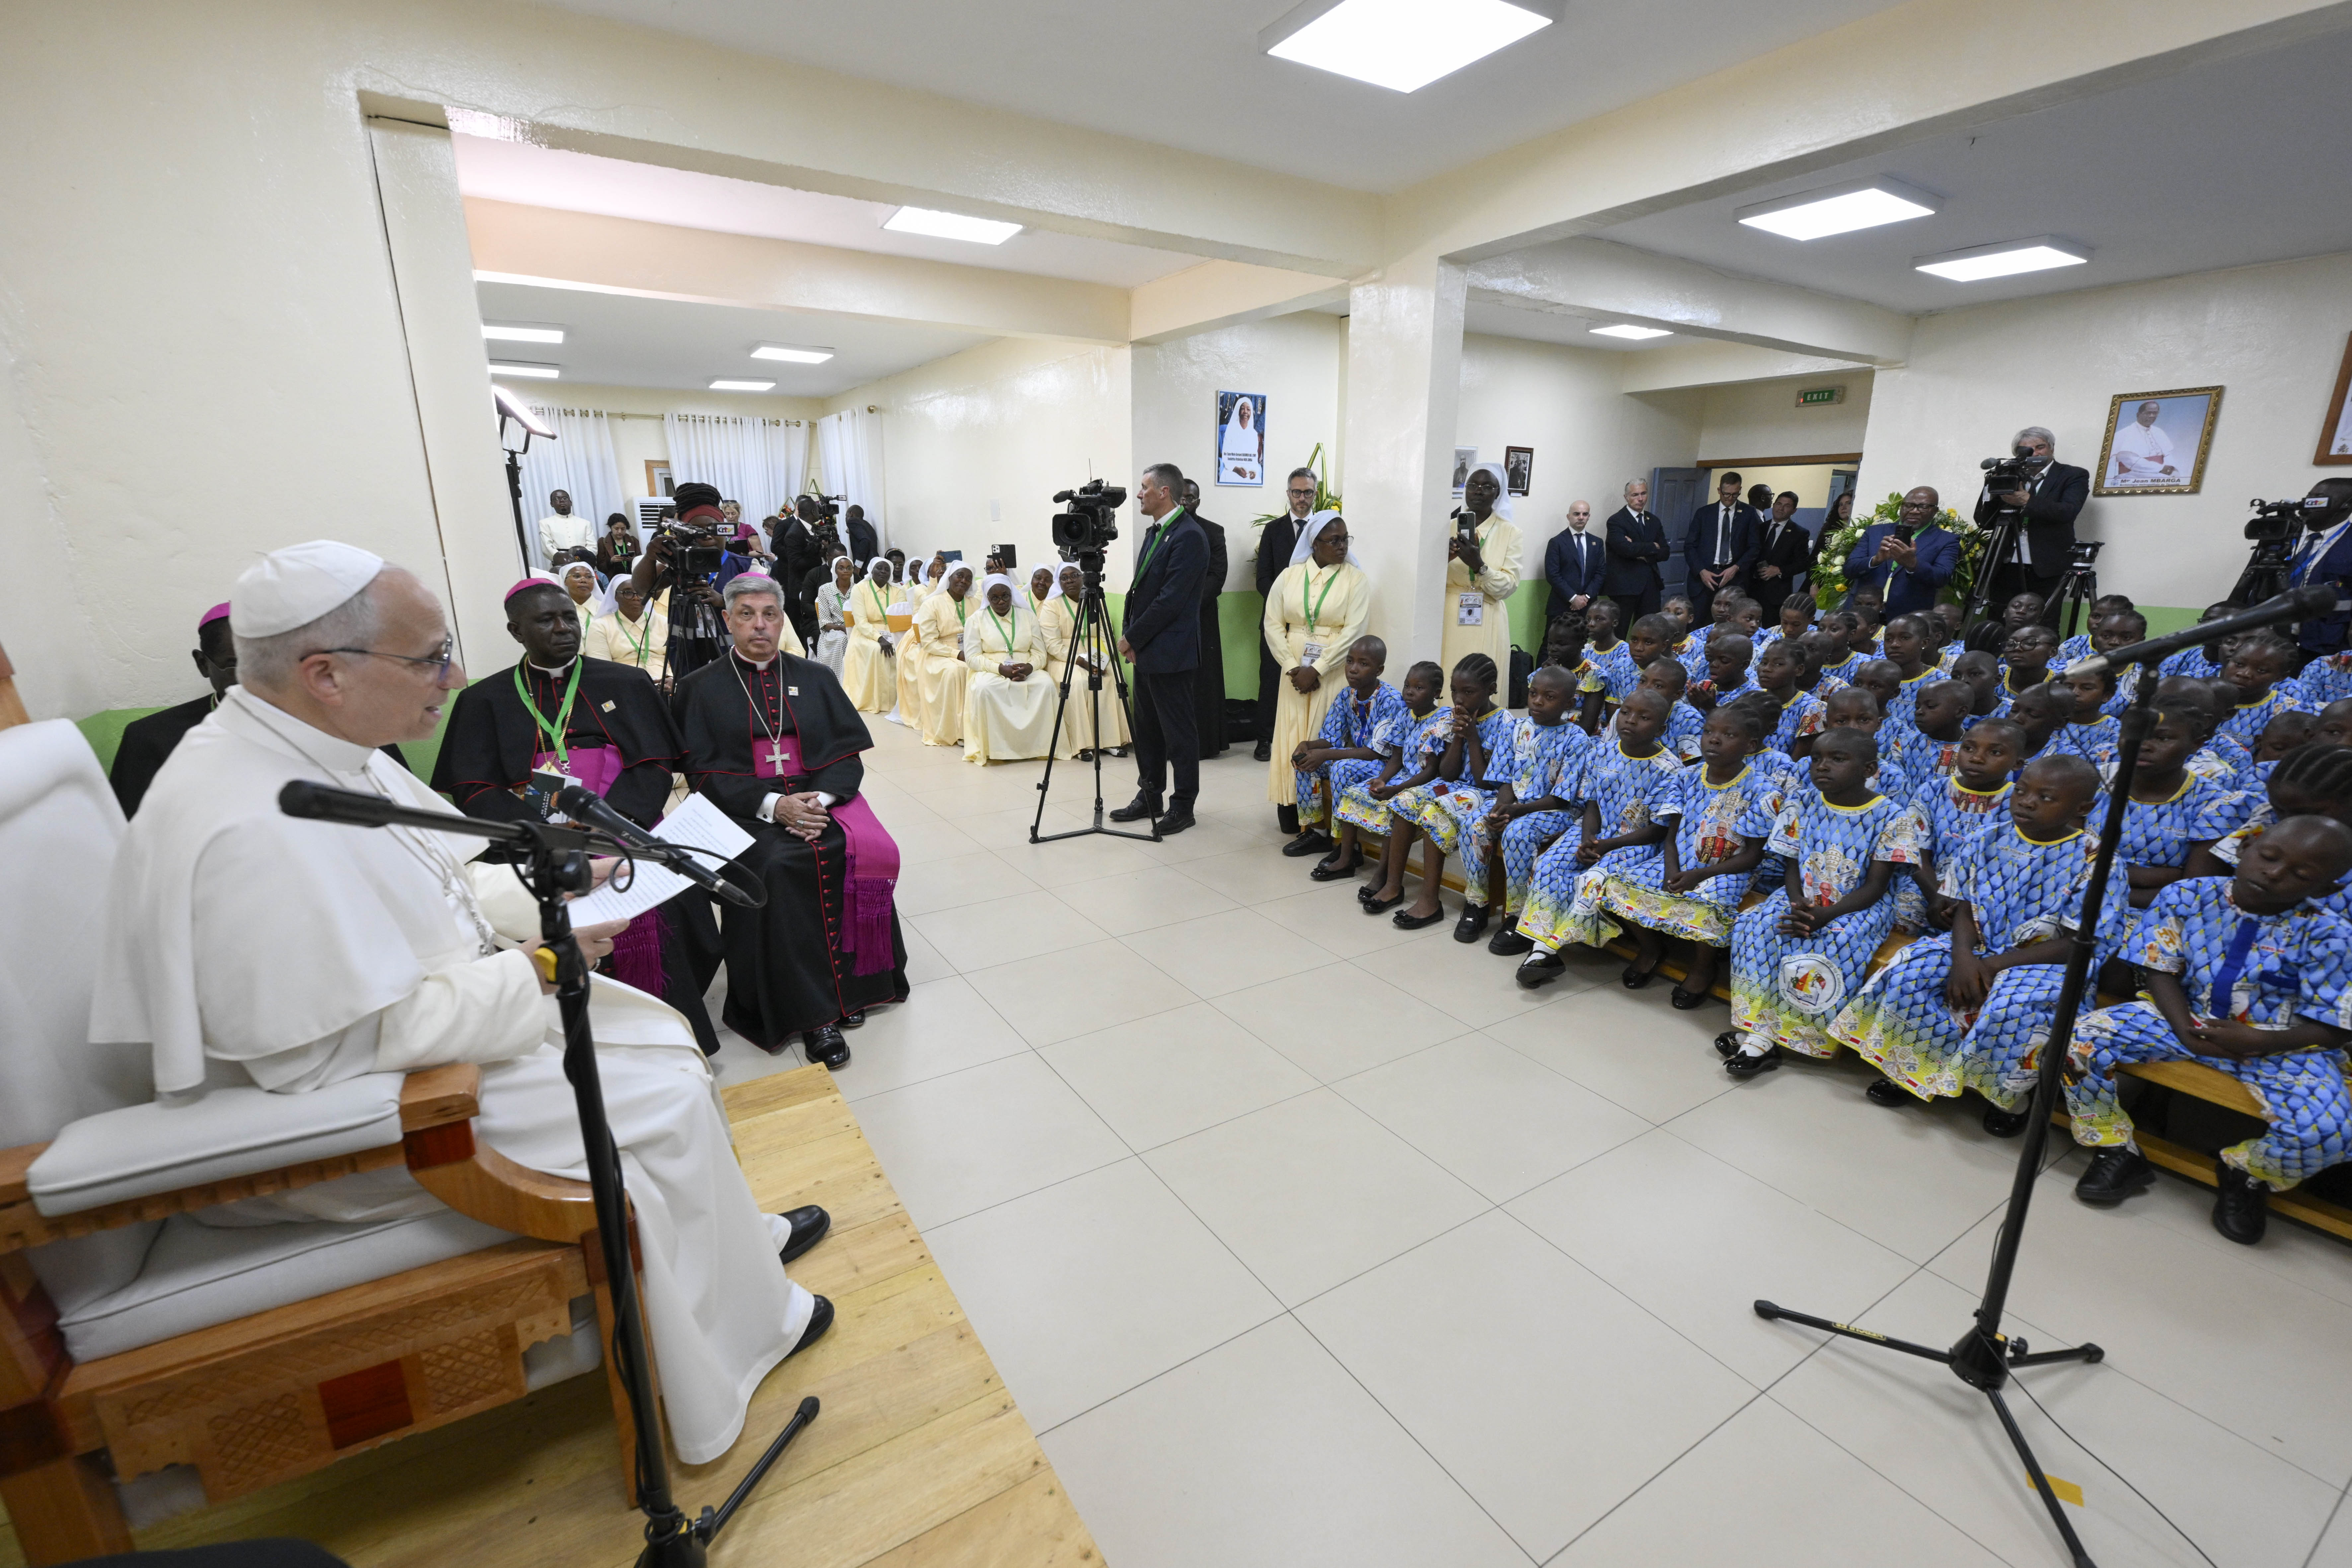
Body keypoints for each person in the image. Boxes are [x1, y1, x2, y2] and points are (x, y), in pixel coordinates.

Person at [93, 540, 834, 1469]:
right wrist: (532, 972)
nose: (451, 675)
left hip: (417, 1043)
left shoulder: (328, 750)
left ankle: (735, 1258)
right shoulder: (246, 817)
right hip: (353, 1115)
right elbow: (324, 1049)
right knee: (656, 1082)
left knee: (652, 1032)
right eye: (427, 656)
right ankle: (730, 1332)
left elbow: (438, 883)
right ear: (326, 673)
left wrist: (562, 890)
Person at [431, 576, 721, 1051]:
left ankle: (671, 1024)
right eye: (546, 620)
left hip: (620, 822)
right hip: (529, 836)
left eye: (568, 617)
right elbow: (473, 785)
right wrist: (541, 830)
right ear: (515, 631)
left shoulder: (625, 683)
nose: (563, 628)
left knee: (671, 898)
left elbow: (653, 763)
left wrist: (609, 817)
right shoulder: (484, 700)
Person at [2063, 813, 2352, 1243]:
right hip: (2181, 1015)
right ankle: (2113, 1145)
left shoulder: (2332, 936)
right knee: (2078, 1041)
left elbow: (2337, 1027)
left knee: (2329, 1130)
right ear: (2243, 849)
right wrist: (2182, 1027)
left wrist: (2260, 1040)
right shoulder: (2187, 895)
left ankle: (2246, 1174)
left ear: (2325, 888)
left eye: (2300, 874)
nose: (2272, 874)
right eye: (2268, 857)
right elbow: (2156, 967)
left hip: (2281, 1044)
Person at [670, 572, 908, 1068]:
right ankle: (813, 1013)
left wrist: (816, 799)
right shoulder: (699, 688)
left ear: (782, 620)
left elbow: (846, 757)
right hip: (742, 810)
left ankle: (853, 988)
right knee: (778, 864)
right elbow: (702, 773)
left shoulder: (816, 677)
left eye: (769, 615)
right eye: (746, 615)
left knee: (858, 851)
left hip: (818, 802)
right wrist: (773, 807)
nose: (759, 625)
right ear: (727, 620)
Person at [1832, 755, 2123, 1132]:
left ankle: (2004, 1096)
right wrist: (1963, 957)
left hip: (2044, 962)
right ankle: (1910, 1066)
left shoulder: (2097, 861)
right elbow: (1965, 906)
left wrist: (1991, 965)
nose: (2027, 801)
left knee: (2011, 1005)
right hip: (1978, 945)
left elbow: (2077, 944)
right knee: (1908, 971)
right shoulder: (1988, 837)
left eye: (2045, 797)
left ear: (2083, 807)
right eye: (2021, 791)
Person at [1721, 727, 1921, 1075]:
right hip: (1803, 894)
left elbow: (1875, 887)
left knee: (1835, 941)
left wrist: (1826, 915)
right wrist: (1798, 902)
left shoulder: (1892, 817)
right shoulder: (1802, 801)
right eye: (1816, 759)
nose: (1822, 767)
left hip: (1858, 905)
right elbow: (1792, 862)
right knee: (1756, 925)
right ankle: (1758, 1029)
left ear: (1869, 769)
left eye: (1837, 759)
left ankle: (1794, 1032)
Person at [1568, 705, 1780, 1007]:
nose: (1714, 740)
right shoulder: (1686, 777)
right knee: (1615, 886)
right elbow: (1671, 835)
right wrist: (1672, 869)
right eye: (1709, 732)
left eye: (1728, 735)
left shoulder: (1763, 790)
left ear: (1750, 745)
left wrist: (1699, 875)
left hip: (1728, 869)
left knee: (1710, 904)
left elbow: (1752, 857)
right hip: (1679, 859)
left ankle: (1703, 966)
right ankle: (1652, 949)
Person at [1372, 654, 1516, 934]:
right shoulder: (1454, 718)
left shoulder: (1505, 724)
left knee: (1434, 809)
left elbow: (1484, 781)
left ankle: (1429, 900)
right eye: (1454, 691)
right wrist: (1458, 736)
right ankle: (1393, 884)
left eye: (1468, 692)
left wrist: (1473, 738)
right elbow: (1448, 774)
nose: (1459, 699)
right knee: (1404, 800)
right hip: (1455, 785)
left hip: (1484, 792)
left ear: (1491, 688)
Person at [1112, 463, 1211, 835]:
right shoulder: (1156, 533)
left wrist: (1131, 638)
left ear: (1164, 492)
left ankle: (1183, 806)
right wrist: (1132, 637)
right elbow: (1139, 593)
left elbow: (1170, 602)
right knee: (1148, 730)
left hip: (1172, 654)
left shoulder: (1189, 536)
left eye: (1144, 488)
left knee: (1178, 734)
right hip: (1148, 652)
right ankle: (1149, 795)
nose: (1139, 495)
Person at [1262, 511, 1372, 840]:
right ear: (1314, 543)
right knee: (1290, 731)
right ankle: (1289, 803)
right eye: (1333, 540)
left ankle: (1319, 818)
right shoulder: (1290, 576)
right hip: (1293, 665)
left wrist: (1318, 669)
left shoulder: (1356, 580)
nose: (1341, 547)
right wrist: (1290, 665)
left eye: (1345, 540)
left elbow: (1354, 632)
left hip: (1332, 667)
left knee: (1320, 733)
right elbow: (1272, 623)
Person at [1478, 665, 1590, 955]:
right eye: (1533, 694)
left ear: (1569, 703)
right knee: (1475, 824)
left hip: (1556, 811)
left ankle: (1517, 917)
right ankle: (1476, 903)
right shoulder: (1515, 727)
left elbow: (1562, 799)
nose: (1537, 701)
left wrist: (1516, 812)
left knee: (1517, 832)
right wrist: (1503, 807)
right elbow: (1504, 778)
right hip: (1517, 806)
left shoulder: (1576, 738)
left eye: (1548, 697)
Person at [110, 601, 238, 817]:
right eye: (236, 665)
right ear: (203, 665)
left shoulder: (310, 723)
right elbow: (131, 830)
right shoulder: (150, 738)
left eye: (267, 664)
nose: (258, 680)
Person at [1287, 635, 1404, 867]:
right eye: (1350, 661)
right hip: (1359, 758)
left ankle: (1346, 846)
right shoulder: (1346, 695)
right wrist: (1308, 746)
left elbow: (1375, 752)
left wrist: (1327, 755)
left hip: (1385, 766)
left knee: (1342, 767)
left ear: (1379, 669)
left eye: (1363, 664)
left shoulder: (1391, 700)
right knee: (1305, 762)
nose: (1353, 669)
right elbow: (1330, 739)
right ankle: (1319, 833)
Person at [631, 483, 750, 682]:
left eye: (713, 529)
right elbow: (642, 588)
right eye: (698, 530)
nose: (707, 536)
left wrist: (724, 601)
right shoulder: (679, 564)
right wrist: (650, 557)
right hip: (687, 655)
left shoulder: (746, 566)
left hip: (734, 652)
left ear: (724, 530)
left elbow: (764, 607)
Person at [1973, 424, 2090, 609]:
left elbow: (2067, 511)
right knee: (1999, 619)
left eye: (2040, 447)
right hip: (2004, 564)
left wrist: (2028, 501)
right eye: (2026, 450)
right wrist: (1993, 490)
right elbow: (1984, 521)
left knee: (2044, 621)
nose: (2034, 454)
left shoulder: (2073, 475)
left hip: (2047, 566)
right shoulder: (2008, 474)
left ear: (2052, 448)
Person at [1442, 463, 1524, 699]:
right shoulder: (1446, 527)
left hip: (1488, 614)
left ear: (1498, 493)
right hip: (1449, 615)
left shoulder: (1511, 532)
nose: (1478, 491)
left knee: (1480, 681)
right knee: (1449, 675)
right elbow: (1427, 580)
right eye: (1473, 485)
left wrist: (1479, 565)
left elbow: (1509, 586)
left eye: (1487, 487)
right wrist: (1443, 560)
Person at [1254, 468, 1319, 760]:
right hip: (1278, 622)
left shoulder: (1324, 530)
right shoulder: (1274, 530)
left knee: (1312, 680)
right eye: (1296, 492)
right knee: (1270, 679)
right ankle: (1265, 739)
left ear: (1315, 494)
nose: (1301, 498)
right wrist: (1288, 605)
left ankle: (1309, 738)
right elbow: (1262, 579)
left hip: (1315, 625)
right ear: (1288, 494)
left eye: (1307, 492)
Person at [1038, 561, 1132, 760]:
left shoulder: (1094, 600)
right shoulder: (1052, 605)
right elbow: (1053, 645)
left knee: (1112, 679)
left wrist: (1102, 661)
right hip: (1064, 658)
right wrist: (1081, 661)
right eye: (1064, 578)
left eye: (1075, 576)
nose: (1070, 581)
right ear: (1059, 582)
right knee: (1078, 682)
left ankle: (1110, 741)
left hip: (1095, 654)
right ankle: (1083, 745)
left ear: (1083, 578)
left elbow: (1105, 634)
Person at [962, 573, 1056, 764]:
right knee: (984, 689)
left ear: (1012, 594)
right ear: (987, 598)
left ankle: (1040, 747)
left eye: (1006, 596)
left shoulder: (1028, 617)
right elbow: (972, 658)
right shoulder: (976, 620)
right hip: (990, 669)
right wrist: (999, 669)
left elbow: (1040, 653)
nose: (1001, 602)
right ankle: (996, 749)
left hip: (1026, 667)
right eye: (994, 598)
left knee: (1046, 684)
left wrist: (1030, 667)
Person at [1843, 487, 1959, 616]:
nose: (1914, 511)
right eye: (1909, 506)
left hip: (1907, 617)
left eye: (1924, 507)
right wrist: (1876, 560)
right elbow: (1849, 570)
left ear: (1935, 511)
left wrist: (1913, 564)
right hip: (1862, 611)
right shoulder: (1875, 532)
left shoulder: (1947, 540)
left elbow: (1942, 578)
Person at [1179, 479, 1230, 761]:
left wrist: (1187, 605)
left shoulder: (1212, 532)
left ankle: (1206, 744)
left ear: (1198, 501)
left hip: (1202, 614)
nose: (1186, 503)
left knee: (1204, 679)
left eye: (1191, 498)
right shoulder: (1161, 530)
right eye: (1182, 497)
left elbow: (1217, 576)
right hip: (1170, 618)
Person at [2286, 479, 2352, 669]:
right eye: (2310, 496)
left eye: (2319, 499)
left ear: (2346, 505)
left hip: (2329, 645)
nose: (2310, 502)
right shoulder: (2284, 536)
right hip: (2274, 641)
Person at [1682, 472, 1760, 627]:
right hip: (1705, 577)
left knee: (1732, 624)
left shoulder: (1749, 513)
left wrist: (1736, 568)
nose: (1730, 498)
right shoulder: (1704, 513)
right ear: (1719, 491)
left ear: (1740, 491)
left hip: (1734, 577)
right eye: (1726, 494)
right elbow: (1690, 546)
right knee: (1698, 623)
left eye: (1735, 495)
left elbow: (1755, 547)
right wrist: (1701, 571)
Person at [912, 564, 974, 748]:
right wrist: (957, 654)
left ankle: (978, 728)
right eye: (960, 576)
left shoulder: (975, 603)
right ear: (950, 577)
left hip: (970, 650)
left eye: (968, 578)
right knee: (957, 671)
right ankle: (959, 731)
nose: (964, 581)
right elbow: (929, 643)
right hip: (938, 653)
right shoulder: (932, 603)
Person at [1602, 477, 1672, 624]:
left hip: (1651, 586)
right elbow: (1626, 550)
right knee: (1619, 632)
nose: (1640, 499)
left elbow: (1665, 552)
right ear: (1626, 497)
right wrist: (1653, 547)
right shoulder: (1616, 521)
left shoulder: (1653, 520)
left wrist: (1640, 551)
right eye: (1635, 495)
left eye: (1644, 494)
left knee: (1650, 630)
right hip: (1624, 587)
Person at [840, 557, 897, 712]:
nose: (883, 572)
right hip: (866, 632)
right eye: (880, 568)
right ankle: (876, 700)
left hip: (893, 631)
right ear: (872, 571)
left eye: (887, 570)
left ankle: (896, 701)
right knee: (876, 650)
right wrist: (880, 638)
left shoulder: (898, 591)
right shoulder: (860, 589)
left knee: (905, 651)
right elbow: (861, 622)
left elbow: (900, 619)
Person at [1543, 500, 1608, 629]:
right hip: (1562, 604)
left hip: (1588, 606)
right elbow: (1553, 575)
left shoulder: (1597, 543)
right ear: (1569, 517)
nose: (1581, 518)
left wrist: (1586, 597)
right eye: (1577, 514)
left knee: (1582, 643)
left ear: (1589, 517)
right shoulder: (1557, 542)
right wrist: (1573, 598)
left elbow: (1601, 573)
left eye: (1585, 514)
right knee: (1553, 644)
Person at [1750, 491, 1811, 623]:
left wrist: (1779, 570)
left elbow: (1803, 563)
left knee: (1771, 631)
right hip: (1752, 589)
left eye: (1787, 506)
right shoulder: (1759, 528)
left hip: (1777, 593)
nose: (1781, 508)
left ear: (1794, 510)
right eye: (1778, 504)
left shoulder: (1800, 533)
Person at [2106, 399, 2180, 487]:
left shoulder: (2159, 432)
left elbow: (2168, 454)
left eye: (2155, 413)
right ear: (2139, 415)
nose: (2152, 416)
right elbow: (2131, 461)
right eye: (2148, 413)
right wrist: (2160, 469)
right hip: (2135, 473)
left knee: (2176, 480)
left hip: (2159, 472)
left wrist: (2170, 468)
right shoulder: (2124, 434)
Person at [812, 555, 855, 676]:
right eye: (841, 568)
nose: (845, 571)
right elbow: (825, 623)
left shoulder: (858, 589)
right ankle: (838, 679)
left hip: (856, 628)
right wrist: (844, 629)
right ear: (835, 571)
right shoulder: (825, 589)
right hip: (834, 631)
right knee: (842, 639)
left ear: (853, 570)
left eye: (849, 568)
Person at [535, 488, 591, 566]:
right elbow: (547, 548)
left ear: (571, 503)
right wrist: (564, 560)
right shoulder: (545, 523)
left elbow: (592, 546)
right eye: (557, 499)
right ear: (552, 504)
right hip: (559, 565)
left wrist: (580, 560)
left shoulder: (585, 523)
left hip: (584, 564)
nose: (562, 501)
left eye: (565, 498)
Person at [843, 502, 879, 566]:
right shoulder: (867, 525)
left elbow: (865, 540)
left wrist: (858, 565)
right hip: (874, 563)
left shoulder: (852, 522)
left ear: (851, 514)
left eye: (846, 516)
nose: (846, 519)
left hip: (864, 565)